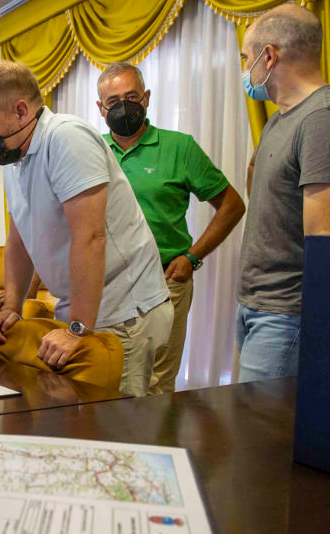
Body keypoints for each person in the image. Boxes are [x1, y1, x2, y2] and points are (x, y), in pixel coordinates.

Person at [0, 60, 173, 397]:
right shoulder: (14, 157)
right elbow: (18, 237)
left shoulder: (67, 138)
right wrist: (13, 306)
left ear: (19, 111)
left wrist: (76, 328)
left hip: (123, 308)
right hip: (86, 308)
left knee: (119, 430)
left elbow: (90, 238)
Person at [236, 5, 330, 381]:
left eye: (247, 58)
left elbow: (323, 240)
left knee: (262, 432)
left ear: (269, 55)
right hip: (256, 303)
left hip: (287, 313)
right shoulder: (281, 118)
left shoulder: (326, 118)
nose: (245, 69)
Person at [96, 62, 246, 394]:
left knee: (155, 385)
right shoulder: (91, 149)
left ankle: (156, 446)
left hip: (164, 282)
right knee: (105, 380)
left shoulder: (180, 148)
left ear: (146, 98)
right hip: (104, 285)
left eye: (131, 96)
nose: (123, 106)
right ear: (100, 108)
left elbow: (232, 206)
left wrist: (192, 258)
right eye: (113, 100)